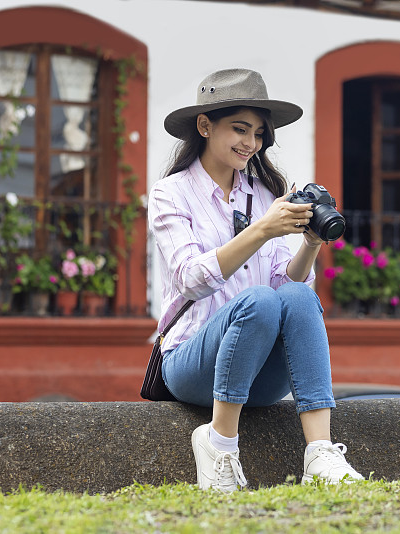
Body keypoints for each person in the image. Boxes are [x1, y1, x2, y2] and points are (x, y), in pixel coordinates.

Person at [148, 68, 364, 492]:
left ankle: (320, 453)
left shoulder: (266, 194)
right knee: (260, 301)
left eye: (260, 134)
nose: (252, 143)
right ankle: (219, 443)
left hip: (258, 375)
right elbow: (190, 278)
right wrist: (261, 230)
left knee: (297, 296)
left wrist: (311, 243)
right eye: (240, 129)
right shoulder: (170, 193)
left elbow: (288, 282)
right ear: (205, 126)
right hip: (190, 365)